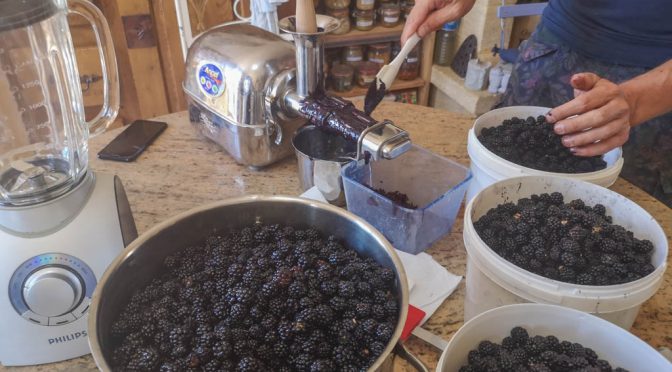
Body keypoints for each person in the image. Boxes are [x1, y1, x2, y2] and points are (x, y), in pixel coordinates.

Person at [402, 0, 672, 207]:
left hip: (656, 79)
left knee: (608, 210)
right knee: (501, 191)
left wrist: (635, 101)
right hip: (554, 46)